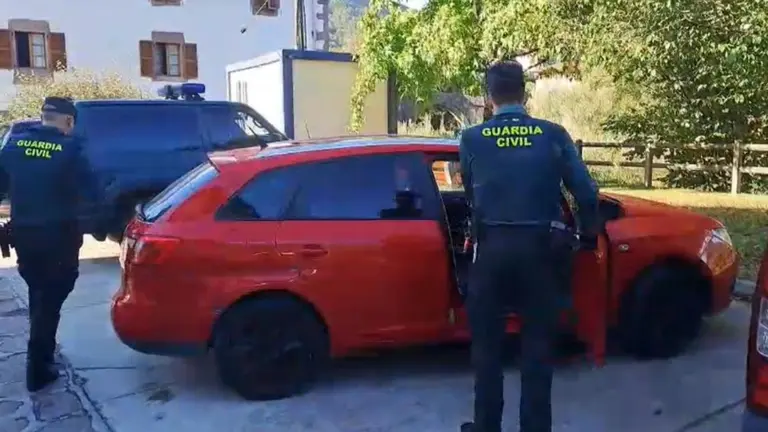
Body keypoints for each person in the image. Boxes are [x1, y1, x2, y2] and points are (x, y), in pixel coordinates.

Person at [458, 61, 600, 432]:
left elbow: (472, 193)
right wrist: (588, 236)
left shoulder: (471, 139)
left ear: (489, 98)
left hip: (490, 253)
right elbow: (586, 193)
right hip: (542, 255)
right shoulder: (553, 135)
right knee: (537, 354)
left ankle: (486, 426)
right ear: (525, 93)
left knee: (487, 353)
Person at [0, 97, 101, 392]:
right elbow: (91, 193)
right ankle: (38, 366)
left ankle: (42, 352)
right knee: (52, 297)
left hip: (24, 237)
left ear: (43, 117)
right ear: (69, 122)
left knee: (39, 292)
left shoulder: (13, 146)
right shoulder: (72, 150)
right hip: (59, 238)